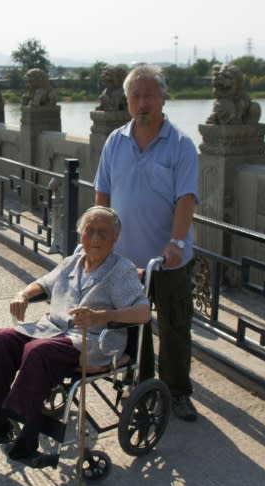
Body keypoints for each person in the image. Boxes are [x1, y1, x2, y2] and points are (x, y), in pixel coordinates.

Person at [0, 206, 151, 461]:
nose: (95, 238)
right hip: (52, 330)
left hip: (93, 341)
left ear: (115, 238)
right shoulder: (71, 262)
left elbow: (143, 313)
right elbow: (43, 283)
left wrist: (102, 316)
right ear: (81, 234)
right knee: (1, 339)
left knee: (38, 352)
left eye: (103, 233)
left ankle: (23, 437)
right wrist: (23, 294)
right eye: (90, 231)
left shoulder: (121, 270)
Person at [93, 64, 200, 422]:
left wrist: (176, 242)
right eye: (135, 96)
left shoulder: (181, 145)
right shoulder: (115, 141)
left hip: (167, 259)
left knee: (174, 327)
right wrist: (98, 236)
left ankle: (178, 391)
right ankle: (144, 387)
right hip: (125, 260)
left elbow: (186, 198)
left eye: (148, 95)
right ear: (127, 101)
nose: (142, 102)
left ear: (163, 99)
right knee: (135, 326)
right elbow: (102, 192)